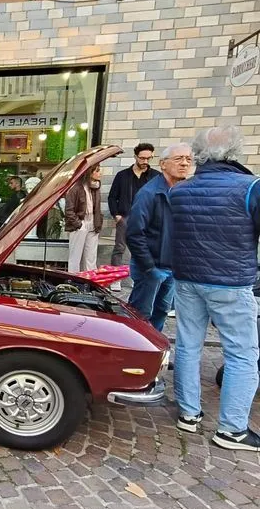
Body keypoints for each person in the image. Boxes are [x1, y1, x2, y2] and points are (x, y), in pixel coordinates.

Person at [169, 125, 260, 451]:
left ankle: (188, 413)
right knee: (242, 354)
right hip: (231, 282)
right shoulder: (251, 187)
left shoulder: (178, 191)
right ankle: (233, 429)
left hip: (188, 278)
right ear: (235, 152)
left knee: (188, 344)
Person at [125, 143, 191, 332]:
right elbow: (134, 233)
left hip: (171, 268)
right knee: (141, 315)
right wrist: (149, 267)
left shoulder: (182, 192)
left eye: (188, 159)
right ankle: (136, 358)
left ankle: (155, 356)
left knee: (161, 312)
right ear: (163, 164)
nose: (185, 164)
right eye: (179, 159)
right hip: (151, 268)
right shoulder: (149, 193)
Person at [107, 143, 161, 290]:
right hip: (125, 216)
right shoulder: (122, 175)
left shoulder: (156, 176)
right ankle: (116, 279)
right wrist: (116, 214)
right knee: (119, 248)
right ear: (135, 156)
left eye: (149, 158)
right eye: (142, 158)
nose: (145, 162)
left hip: (147, 219)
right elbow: (112, 197)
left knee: (144, 249)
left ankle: (138, 279)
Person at [65, 165, 102, 273]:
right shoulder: (75, 188)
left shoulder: (96, 187)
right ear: (89, 173)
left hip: (93, 223)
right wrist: (79, 225)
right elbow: (69, 210)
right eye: (97, 171)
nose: (100, 173)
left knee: (91, 257)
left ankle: (90, 281)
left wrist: (98, 223)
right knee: (75, 256)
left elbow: (97, 208)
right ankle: (72, 280)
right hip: (80, 222)